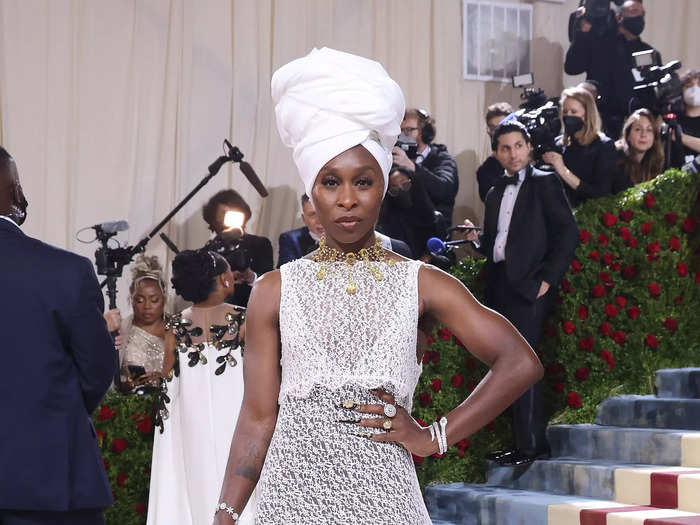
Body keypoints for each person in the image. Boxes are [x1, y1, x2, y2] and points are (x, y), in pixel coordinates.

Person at [213, 47, 543, 525]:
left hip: (386, 503)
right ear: (313, 192)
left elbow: (519, 362)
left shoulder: (421, 283)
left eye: (363, 182)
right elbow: (257, 416)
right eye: (331, 183)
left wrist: (433, 437)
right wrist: (225, 514)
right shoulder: (274, 288)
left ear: (383, 187)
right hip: (291, 502)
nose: (347, 200)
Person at [0, 146, 116, 524]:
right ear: (15, 192)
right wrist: (51, 414)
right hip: (50, 483)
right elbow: (97, 371)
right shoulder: (66, 273)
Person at [463, 120, 578, 465]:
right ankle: (522, 443)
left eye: (518, 146)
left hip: (530, 288)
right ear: (496, 153)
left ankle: (532, 446)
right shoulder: (496, 190)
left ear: (528, 148)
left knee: (521, 365)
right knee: (506, 366)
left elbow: (567, 232)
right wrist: (476, 242)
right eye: (504, 148)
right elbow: (498, 244)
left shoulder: (545, 182)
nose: (512, 153)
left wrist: (548, 279)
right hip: (499, 287)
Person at [147, 249, 251, 525]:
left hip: (192, 423)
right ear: (222, 279)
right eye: (229, 270)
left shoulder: (175, 325)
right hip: (239, 417)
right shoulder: (243, 319)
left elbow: (166, 378)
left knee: (196, 484)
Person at [565, 0, 661, 139]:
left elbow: (652, 93)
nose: (639, 17)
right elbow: (572, 68)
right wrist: (582, 34)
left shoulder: (649, 53)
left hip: (635, 127)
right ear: (619, 17)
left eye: (642, 14)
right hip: (600, 124)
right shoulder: (599, 44)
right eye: (633, 11)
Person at [542, 86, 617, 207]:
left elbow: (601, 193)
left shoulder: (604, 146)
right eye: (565, 112)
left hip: (588, 214)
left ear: (587, 115)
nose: (568, 116)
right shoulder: (559, 144)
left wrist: (563, 171)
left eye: (574, 112)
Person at [202, 189, 274, 307]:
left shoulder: (260, 244)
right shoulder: (208, 251)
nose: (230, 216)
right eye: (225, 213)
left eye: (235, 212)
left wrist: (251, 277)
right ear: (214, 218)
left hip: (253, 309)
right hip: (216, 312)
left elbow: (271, 283)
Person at [391, 107, 459, 232]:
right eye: (400, 131)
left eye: (409, 130)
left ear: (425, 132)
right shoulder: (394, 160)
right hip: (403, 235)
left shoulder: (443, 159)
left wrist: (412, 167)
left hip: (432, 234)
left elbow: (444, 190)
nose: (403, 135)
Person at [113, 254, 168, 392]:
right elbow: (109, 379)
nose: (147, 306)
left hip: (172, 404)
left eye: (154, 300)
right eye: (140, 300)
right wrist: (127, 385)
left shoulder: (178, 329)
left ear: (164, 299)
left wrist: (164, 379)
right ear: (131, 300)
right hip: (132, 405)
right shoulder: (121, 331)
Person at [613, 108, 665, 192]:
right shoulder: (616, 158)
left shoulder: (654, 160)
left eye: (649, 130)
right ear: (628, 135)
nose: (643, 135)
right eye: (638, 129)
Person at [476, 102, 512, 202]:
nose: (496, 132)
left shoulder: (528, 160)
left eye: (502, 127)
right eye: (493, 128)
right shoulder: (485, 170)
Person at [675, 69, 700, 164]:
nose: (695, 89)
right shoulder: (673, 119)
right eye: (689, 85)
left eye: (699, 85)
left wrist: (679, 137)